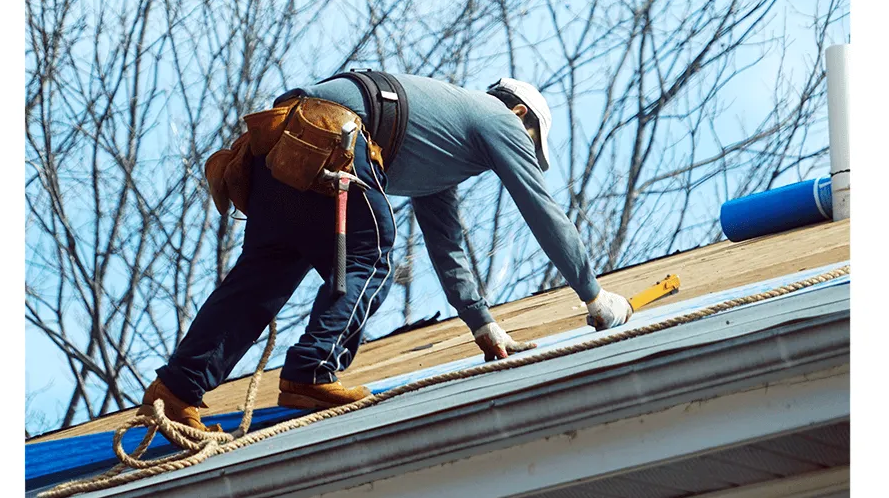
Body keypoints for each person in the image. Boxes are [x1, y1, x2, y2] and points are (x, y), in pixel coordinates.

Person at [140, 73, 633, 430]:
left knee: (264, 275)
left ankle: (177, 389)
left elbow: (447, 244)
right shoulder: (497, 118)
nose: (521, 151)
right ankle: (311, 371)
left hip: (283, 144)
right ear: (519, 114)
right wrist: (593, 296)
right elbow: (541, 209)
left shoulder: (439, 150)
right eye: (528, 142)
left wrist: (482, 325)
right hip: (335, 134)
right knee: (372, 251)